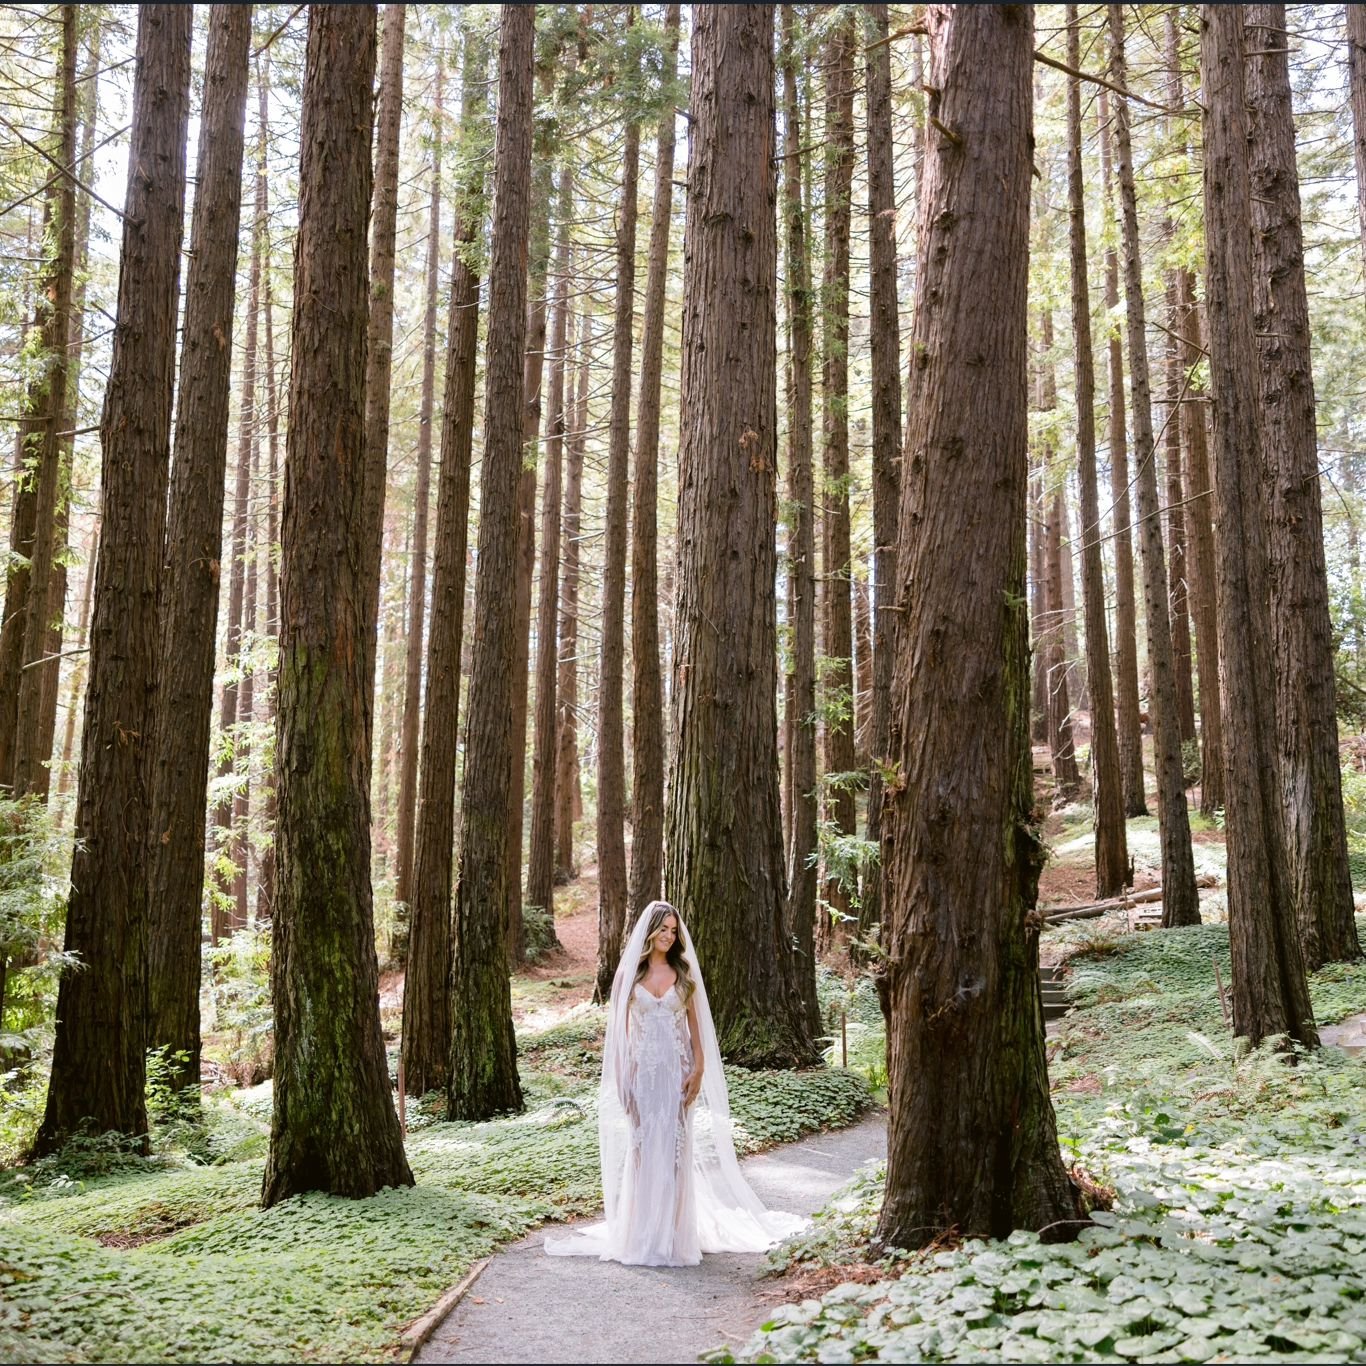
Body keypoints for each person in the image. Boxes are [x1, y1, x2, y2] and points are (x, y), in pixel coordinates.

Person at [544, 900, 805, 1267]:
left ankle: (674, 1233)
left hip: (677, 1075)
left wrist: (697, 1071)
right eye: (663, 929)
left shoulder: (684, 976)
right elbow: (618, 1037)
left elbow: (699, 1032)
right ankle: (641, 1230)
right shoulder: (628, 977)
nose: (668, 936)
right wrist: (622, 1082)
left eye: (673, 930)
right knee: (642, 1148)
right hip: (641, 1076)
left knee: (675, 1151)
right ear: (649, 932)